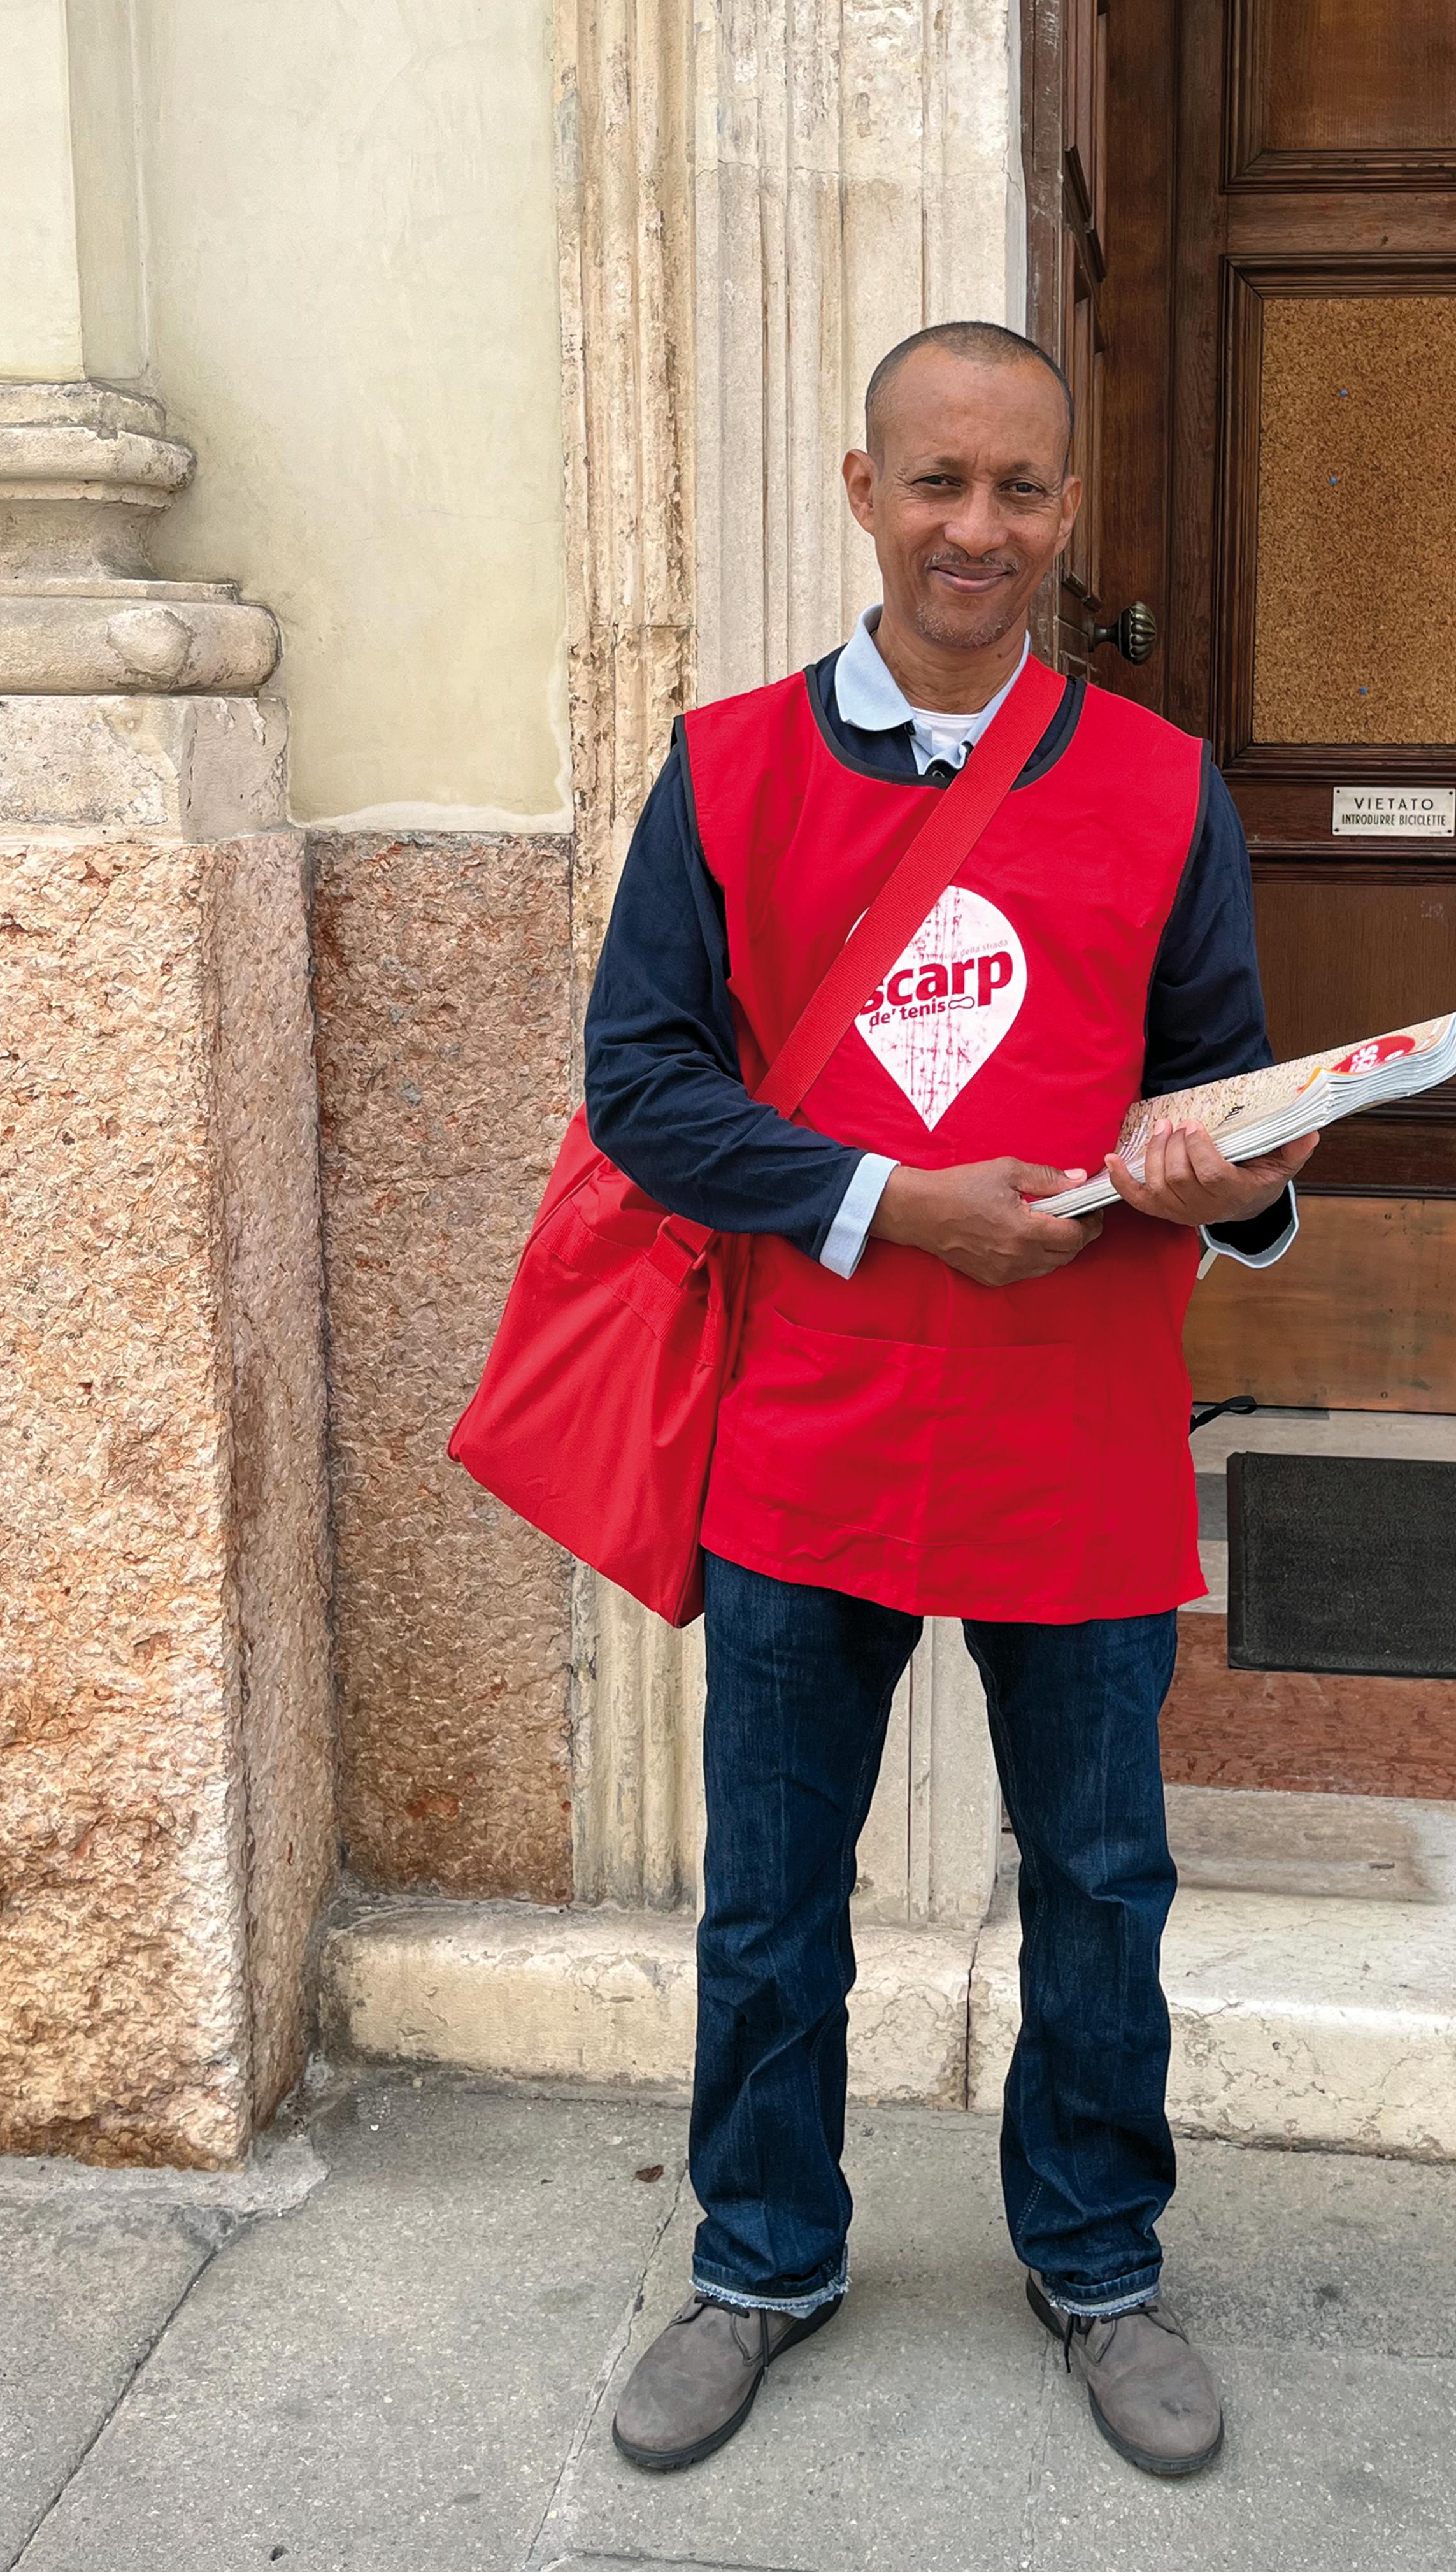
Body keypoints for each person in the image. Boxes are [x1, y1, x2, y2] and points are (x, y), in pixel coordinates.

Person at [580, 319, 1315, 2480]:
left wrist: (1241, 1179)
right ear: (861, 487)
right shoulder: (724, 769)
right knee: (773, 1882)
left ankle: (1098, 2255)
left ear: (1068, 510)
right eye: (937, 482)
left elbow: (1228, 1096)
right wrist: (901, 1202)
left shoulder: (1164, 785)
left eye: (1018, 488)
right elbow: (643, 1093)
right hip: (808, 1419)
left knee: (1101, 1873)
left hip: (1077, 1429)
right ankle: (757, 2255)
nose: (975, 526)